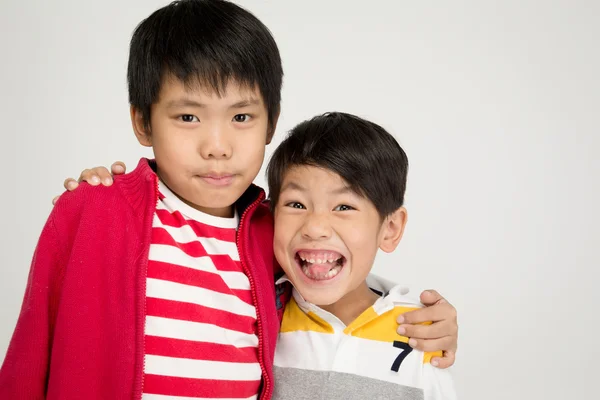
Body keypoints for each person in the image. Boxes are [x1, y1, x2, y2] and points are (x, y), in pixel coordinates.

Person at [0, 1, 457, 399]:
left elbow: (333, 270)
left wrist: (425, 317)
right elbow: (27, 359)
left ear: (271, 124)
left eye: (241, 116)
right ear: (143, 122)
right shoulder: (93, 211)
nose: (216, 145)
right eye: (187, 116)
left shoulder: (269, 231)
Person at [266, 112, 456, 399]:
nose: (315, 227)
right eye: (296, 204)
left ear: (390, 229)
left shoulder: (421, 336)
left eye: (343, 207)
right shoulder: (259, 313)